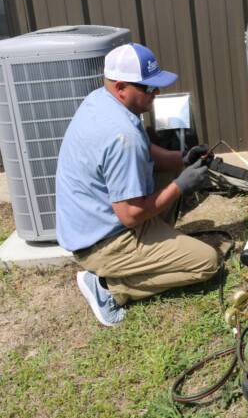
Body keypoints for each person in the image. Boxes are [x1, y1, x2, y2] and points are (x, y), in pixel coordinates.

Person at [56, 43, 218, 327]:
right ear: (121, 87)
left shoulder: (101, 100)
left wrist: (181, 159)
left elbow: (146, 151)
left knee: (171, 175)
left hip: (95, 222)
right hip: (104, 242)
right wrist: (181, 186)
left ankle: (153, 249)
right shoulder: (121, 136)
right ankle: (110, 289)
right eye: (149, 88)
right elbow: (129, 215)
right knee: (207, 262)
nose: (156, 94)